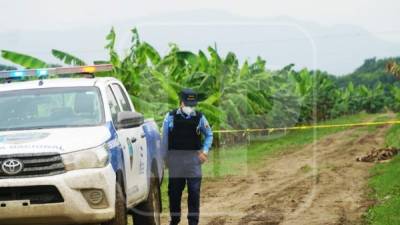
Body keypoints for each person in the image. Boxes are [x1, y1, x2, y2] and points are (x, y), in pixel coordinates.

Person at [161, 88, 213, 225]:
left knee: (194, 192)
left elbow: (209, 135)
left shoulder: (200, 118)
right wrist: (165, 158)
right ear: (181, 103)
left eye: (192, 105)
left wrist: (205, 152)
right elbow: (164, 140)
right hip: (175, 160)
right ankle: (175, 219)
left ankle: (193, 222)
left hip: (193, 160)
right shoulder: (170, 117)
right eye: (187, 104)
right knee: (174, 193)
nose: (190, 107)